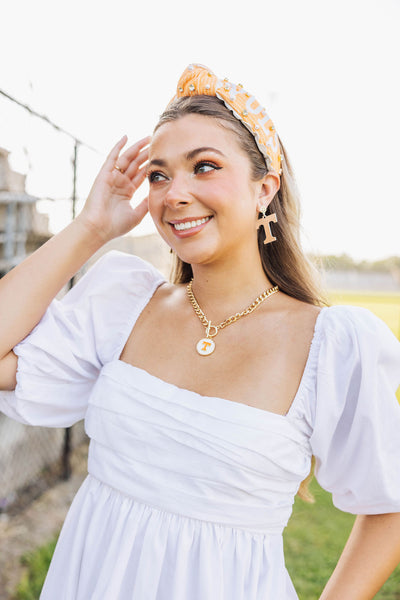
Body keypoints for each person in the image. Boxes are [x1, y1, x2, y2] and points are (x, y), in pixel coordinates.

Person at [0, 63, 400, 600]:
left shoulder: (331, 344)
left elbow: (388, 505)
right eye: (159, 175)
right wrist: (91, 228)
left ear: (266, 190)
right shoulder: (124, 302)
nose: (173, 194)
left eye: (204, 167)